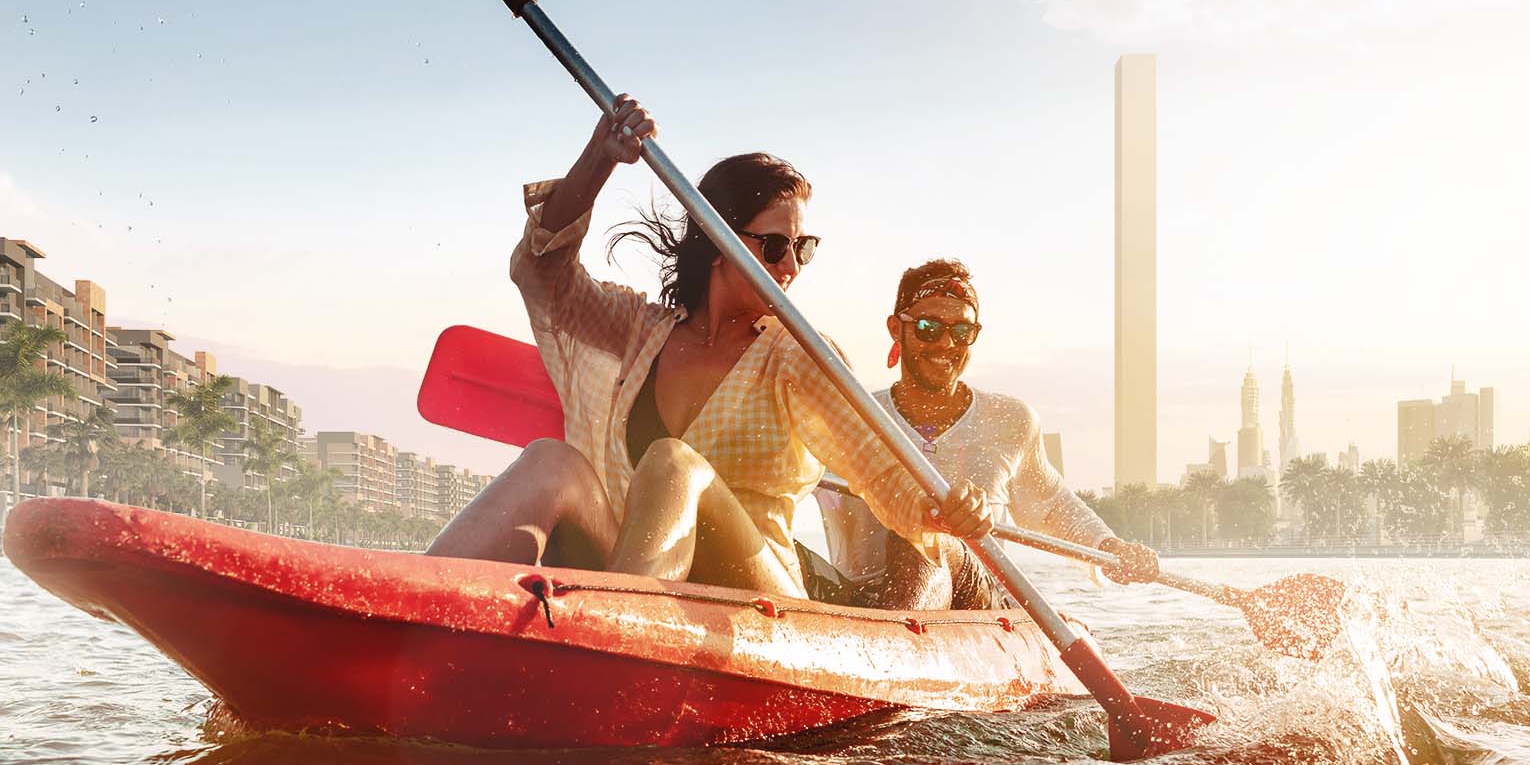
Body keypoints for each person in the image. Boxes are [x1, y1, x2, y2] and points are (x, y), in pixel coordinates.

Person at [427, 96, 994, 597]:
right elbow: (541, 269)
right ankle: (415, 602)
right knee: (552, 460)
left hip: (757, 598)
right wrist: (600, 157)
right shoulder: (637, 329)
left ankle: (630, 633)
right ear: (719, 240)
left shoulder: (798, 353)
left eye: (803, 247)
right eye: (774, 246)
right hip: (632, 571)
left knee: (675, 462)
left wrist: (945, 508)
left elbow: (881, 469)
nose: (792, 267)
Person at [815, 259, 1161, 609]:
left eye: (962, 332)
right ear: (895, 328)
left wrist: (1110, 549)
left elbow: (1052, 506)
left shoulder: (1010, 420)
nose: (946, 344)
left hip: (976, 600)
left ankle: (900, 631)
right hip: (863, 600)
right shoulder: (845, 418)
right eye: (928, 328)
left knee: (923, 536)